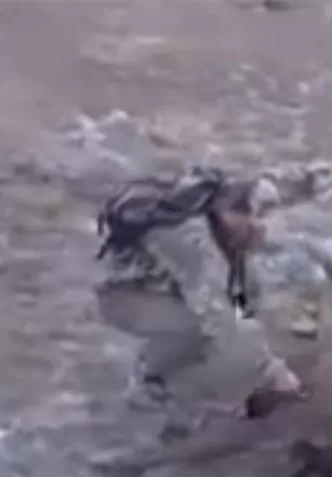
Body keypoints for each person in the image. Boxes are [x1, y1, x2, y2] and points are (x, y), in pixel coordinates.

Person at [93, 164, 312, 414]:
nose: (259, 227)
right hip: (122, 296)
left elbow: (242, 296)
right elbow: (217, 309)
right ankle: (147, 382)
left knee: (234, 315)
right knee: (200, 327)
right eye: (255, 218)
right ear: (230, 212)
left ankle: (183, 376)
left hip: (159, 284)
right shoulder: (191, 240)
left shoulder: (221, 217)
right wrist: (274, 373)